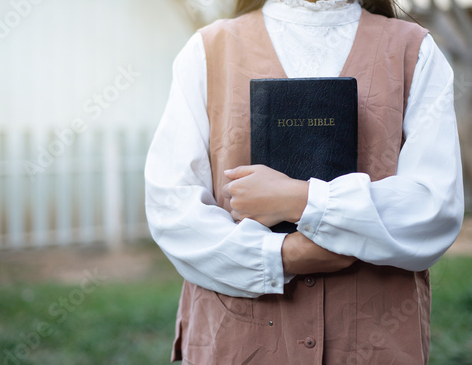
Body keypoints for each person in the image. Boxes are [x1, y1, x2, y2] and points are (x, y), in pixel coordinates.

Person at [145, 0, 464, 363]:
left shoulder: (415, 50)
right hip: (237, 344)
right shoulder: (206, 49)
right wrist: (283, 256)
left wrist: (300, 199)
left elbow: (433, 207)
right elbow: (171, 209)